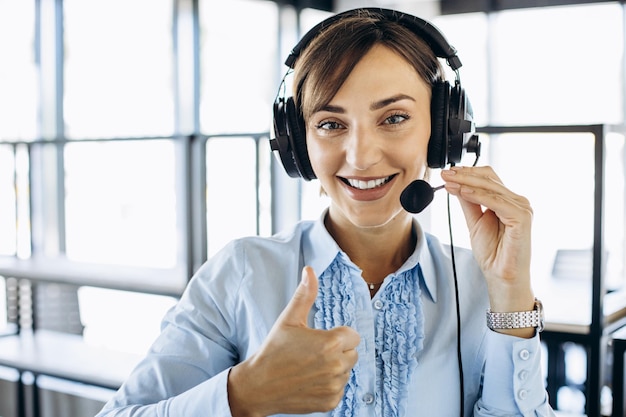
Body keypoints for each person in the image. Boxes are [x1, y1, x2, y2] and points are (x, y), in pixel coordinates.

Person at [97, 8, 555, 417]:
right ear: (299, 144)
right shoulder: (240, 273)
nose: (360, 157)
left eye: (394, 118)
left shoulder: (478, 284)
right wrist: (243, 394)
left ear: (444, 132)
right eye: (331, 124)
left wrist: (512, 294)